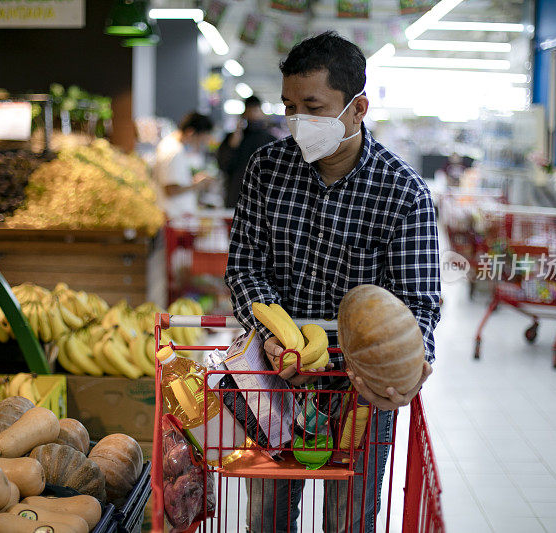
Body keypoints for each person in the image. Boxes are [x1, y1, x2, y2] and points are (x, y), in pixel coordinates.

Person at [224, 32, 441, 532]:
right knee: (266, 517)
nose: (297, 121)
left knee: (351, 520)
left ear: (357, 108)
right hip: (276, 377)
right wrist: (279, 342)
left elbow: (418, 302)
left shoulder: (402, 192)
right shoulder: (267, 169)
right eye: (289, 106)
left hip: (360, 387)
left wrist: (412, 357)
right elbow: (245, 267)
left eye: (313, 107)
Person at [217, 96, 277, 208]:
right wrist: (233, 144)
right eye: (250, 110)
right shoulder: (234, 138)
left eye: (256, 110)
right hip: (237, 195)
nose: (253, 115)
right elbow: (223, 165)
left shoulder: (270, 140)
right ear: (244, 113)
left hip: (263, 197)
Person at [153, 111, 215, 217]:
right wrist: (197, 185)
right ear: (191, 132)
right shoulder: (173, 151)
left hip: (176, 218)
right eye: (202, 139)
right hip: (174, 218)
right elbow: (171, 190)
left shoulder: (175, 148)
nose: (202, 143)